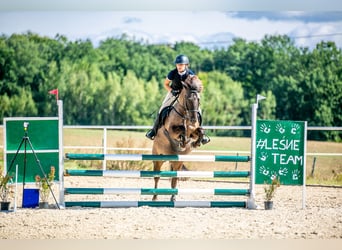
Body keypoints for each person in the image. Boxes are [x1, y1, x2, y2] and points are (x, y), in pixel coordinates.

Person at [145, 54, 210, 145]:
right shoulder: (172, 73)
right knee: (162, 108)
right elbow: (166, 84)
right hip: (173, 92)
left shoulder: (190, 74)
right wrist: (172, 91)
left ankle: (202, 134)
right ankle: (153, 131)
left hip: (187, 95)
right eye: (178, 64)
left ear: (186, 65)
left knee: (198, 110)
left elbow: (194, 86)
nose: (179, 66)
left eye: (181, 64)